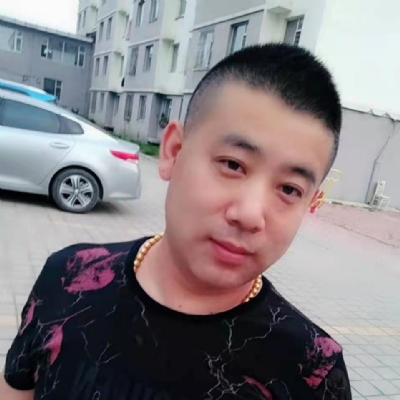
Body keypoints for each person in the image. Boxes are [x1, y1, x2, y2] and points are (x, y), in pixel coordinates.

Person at [1, 43, 351, 400]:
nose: (249, 215)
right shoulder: (68, 277)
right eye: (233, 165)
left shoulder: (312, 368)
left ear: (311, 203)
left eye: (289, 189)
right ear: (173, 151)